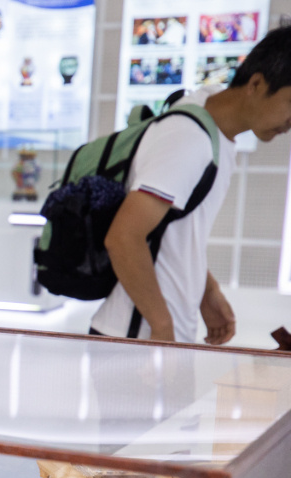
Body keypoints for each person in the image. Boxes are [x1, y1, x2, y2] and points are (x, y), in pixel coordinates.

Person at [93, 28, 291, 343]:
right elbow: (124, 238)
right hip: (136, 337)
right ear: (256, 84)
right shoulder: (188, 136)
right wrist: (162, 328)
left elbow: (175, 232)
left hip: (159, 333)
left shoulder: (216, 131)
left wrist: (206, 291)